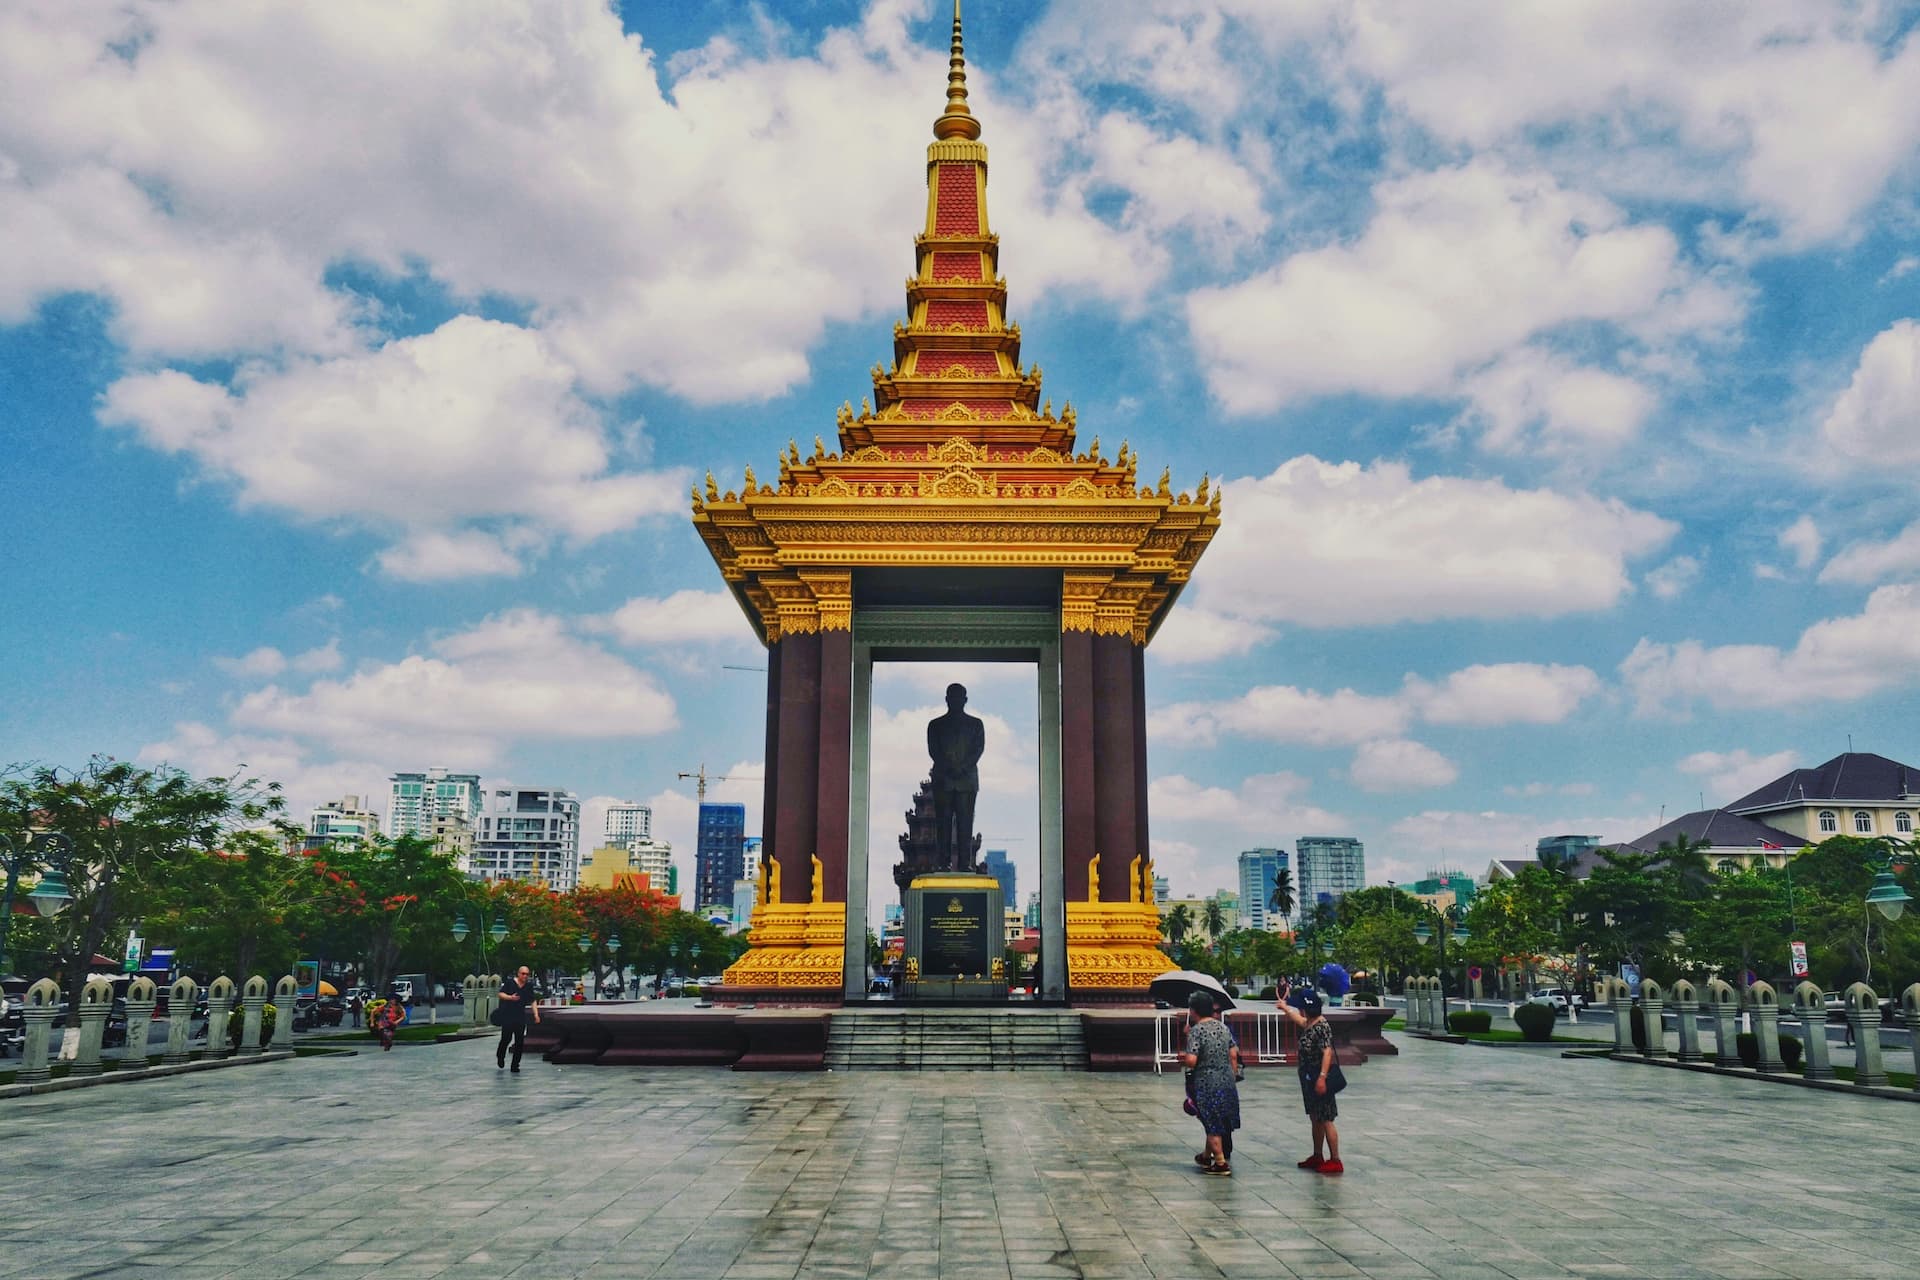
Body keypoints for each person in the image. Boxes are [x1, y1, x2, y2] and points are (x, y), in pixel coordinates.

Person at [1276, 979, 1342, 1174]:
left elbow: (1327, 1053)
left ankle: (1335, 1159)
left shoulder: (1321, 1027)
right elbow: (1301, 1022)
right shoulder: (1311, 1023)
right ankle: (1317, 1155)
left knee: (1326, 1118)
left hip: (1318, 1079)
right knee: (1316, 1117)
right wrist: (1285, 1009)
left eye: (1301, 1007)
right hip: (1309, 1078)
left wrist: (1322, 1077)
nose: (1300, 1010)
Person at [1177, 990, 1240, 1176]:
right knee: (1215, 1118)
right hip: (1226, 1080)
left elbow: (1191, 1061)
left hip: (1207, 1081)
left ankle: (1220, 1162)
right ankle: (1206, 1155)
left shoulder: (1196, 1031)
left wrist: (1182, 1054)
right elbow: (1233, 1053)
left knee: (1211, 1121)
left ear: (1194, 1010)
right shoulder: (1222, 1028)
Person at [495, 965, 542, 1073]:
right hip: (508, 1015)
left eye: (527, 974)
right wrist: (510, 998)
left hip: (520, 1016)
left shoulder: (528, 986)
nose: (525, 976)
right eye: (523, 974)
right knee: (506, 1038)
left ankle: (515, 1065)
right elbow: (501, 994)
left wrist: (536, 1014)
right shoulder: (510, 983)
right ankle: (500, 1055)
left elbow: (532, 1000)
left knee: (519, 1041)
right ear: (518, 973)